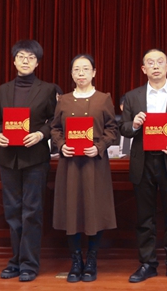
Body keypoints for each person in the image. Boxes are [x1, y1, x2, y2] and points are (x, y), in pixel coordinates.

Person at [120, 49, 167, 284]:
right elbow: (123, 128)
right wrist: (134, 124)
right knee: (144, 218)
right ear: (144, 69)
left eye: (160, 62)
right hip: (143, 162)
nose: (156, 66)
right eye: (150, 63)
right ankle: (147, 264)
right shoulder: (133, 96)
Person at [0, 40, 57, 282]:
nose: (25, 61)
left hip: (35, 159)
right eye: (21, 56)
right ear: (14, 61)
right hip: (9, 159)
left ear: (37, 62)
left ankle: (29, 263)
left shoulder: (48, 89)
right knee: (12, 212)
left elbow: (55, 121)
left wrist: (41, 134)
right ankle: (15, 261)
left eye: (31, 57)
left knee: (31, 212)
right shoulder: (3, 90)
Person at [50, 54, 119, 283]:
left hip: (94, 164)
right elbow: (55, 129)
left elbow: (112, 129)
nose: (81, 73)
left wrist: (99, 147)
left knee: (94, 209)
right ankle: (75, 260)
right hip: (70, 164)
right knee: (71, 209)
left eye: (86, 69)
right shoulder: (64, 100)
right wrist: (62, 145)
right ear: (71, 74)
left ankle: (91, 260)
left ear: (94, 72)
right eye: (77, 69)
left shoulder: (103, 99)